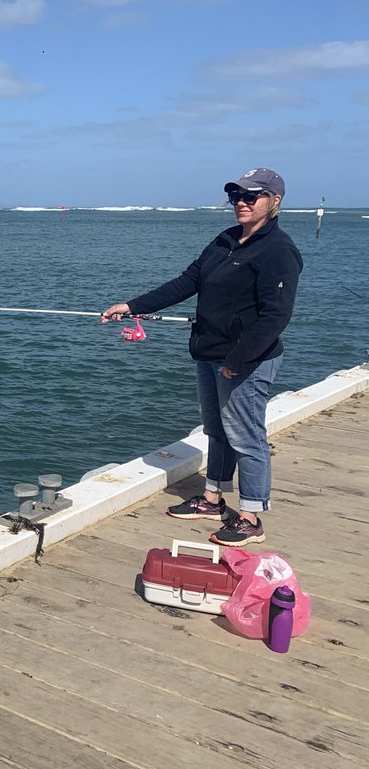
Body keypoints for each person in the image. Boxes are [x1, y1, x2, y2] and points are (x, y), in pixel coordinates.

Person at [101, 168, 303, 547]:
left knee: (247, 436)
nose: (241, 202)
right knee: (216, 430)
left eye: (252, 196)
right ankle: (213, 498)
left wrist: (238, 358)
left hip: (247, 359)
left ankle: (251, 516)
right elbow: (186, 282)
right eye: (235, 196)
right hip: (209, 353)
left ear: (274, 201)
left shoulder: (279, 250)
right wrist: (131, 306)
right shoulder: (225, 240)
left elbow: (276, 316)